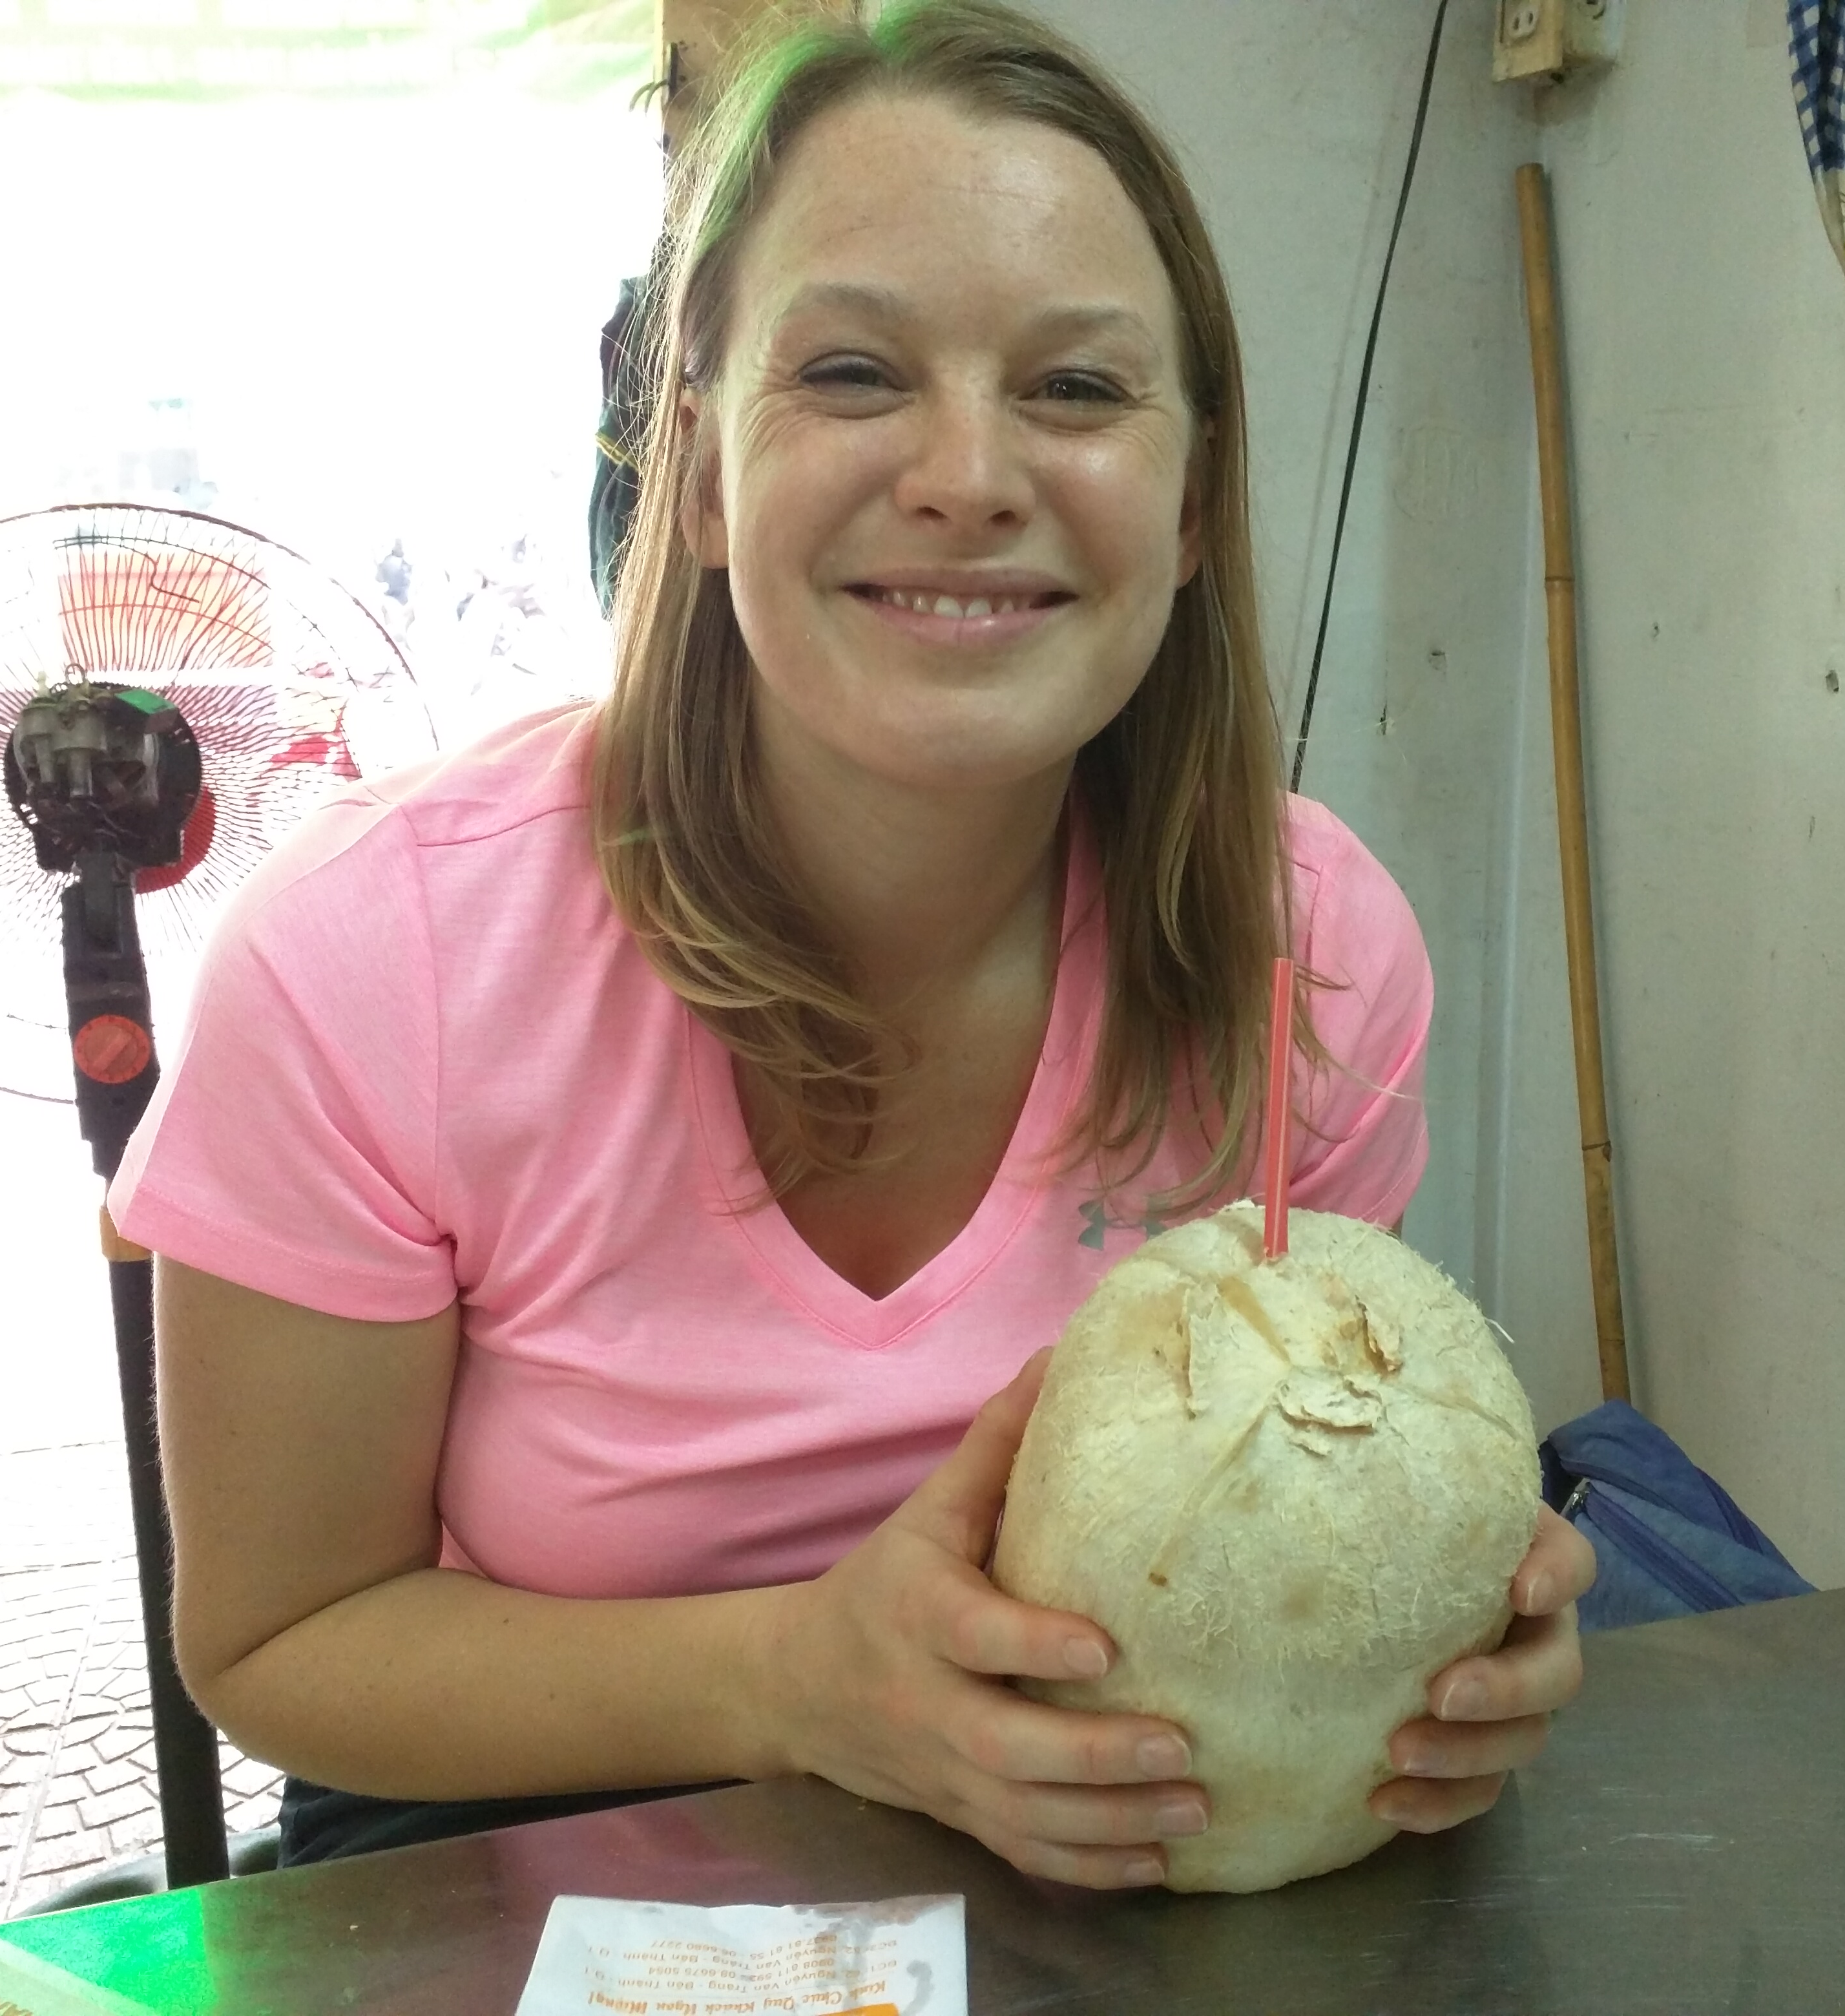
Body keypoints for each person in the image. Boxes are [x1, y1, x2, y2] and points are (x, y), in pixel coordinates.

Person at [110, 0, 1594, 1887]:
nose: (970, 474)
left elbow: (1314, 1492)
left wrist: (1440, 1642)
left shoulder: (1315, 954)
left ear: (1194, 499)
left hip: (1108, 1861)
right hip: (529, 1846)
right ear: (698, 471)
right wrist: (804, 1682)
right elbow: (282, 1644)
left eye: (1077, 389)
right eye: (852, 372)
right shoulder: (369, 966)